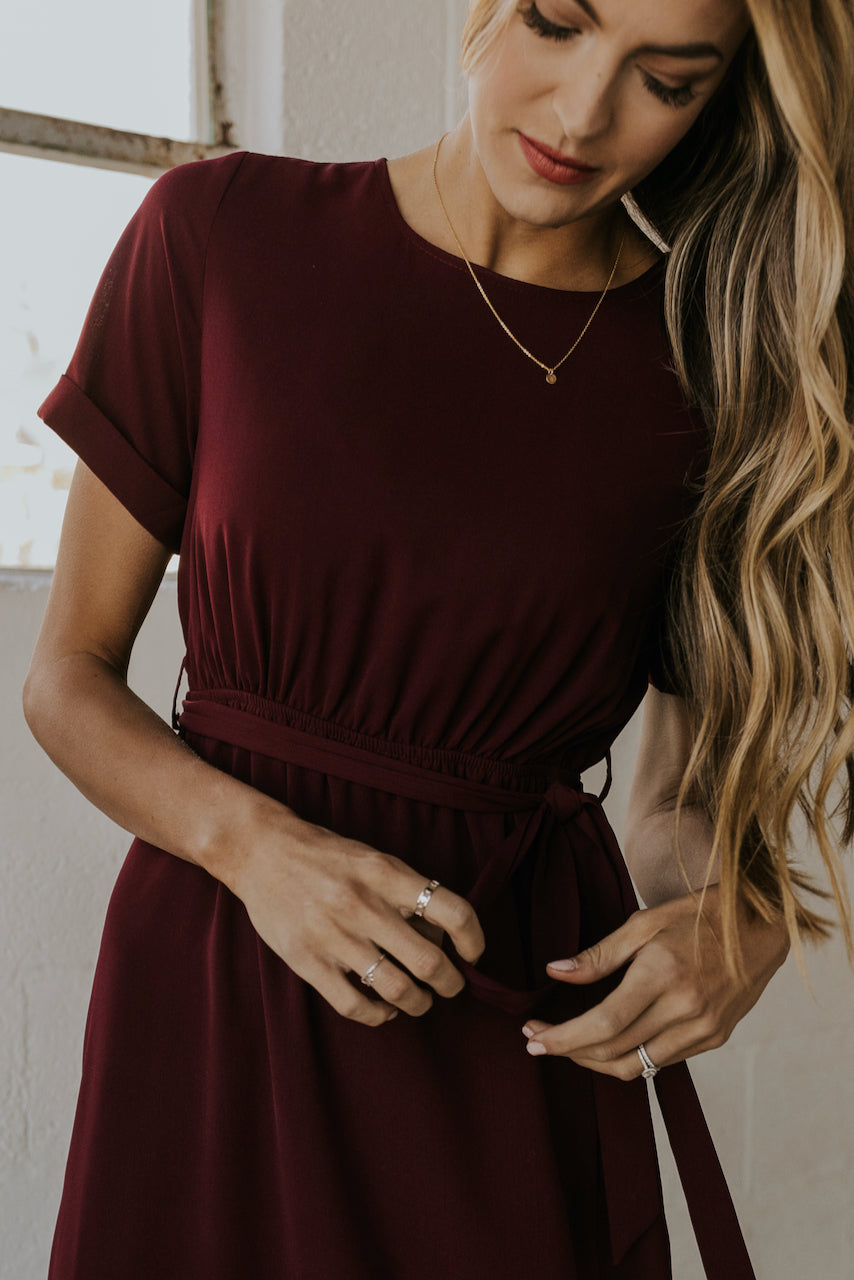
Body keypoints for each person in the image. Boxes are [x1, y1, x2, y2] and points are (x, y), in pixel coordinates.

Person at [23, 0, 854, 1276]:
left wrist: (721, 908)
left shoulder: (711, 374)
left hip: (496, 1016)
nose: (582, 113)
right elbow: (67, 679)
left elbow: (676, 795)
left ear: (725, 103)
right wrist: (255, 848)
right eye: (557, 23)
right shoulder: (217, 233)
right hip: (212, 979)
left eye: (667, 81)